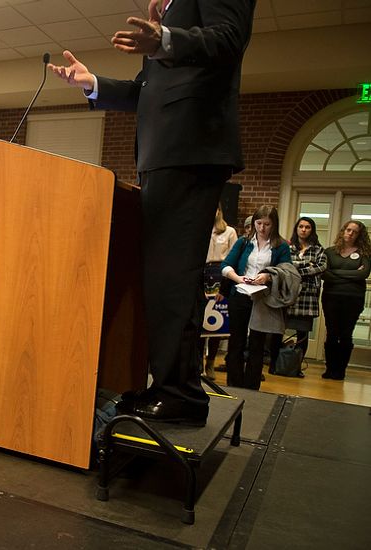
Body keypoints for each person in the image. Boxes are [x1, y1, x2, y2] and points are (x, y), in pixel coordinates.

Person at [49, 0, 256, 424]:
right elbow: (147, 90)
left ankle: (180, 394)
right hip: (167, 154)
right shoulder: (171, 16)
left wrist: (164, 39)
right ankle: (168, 385)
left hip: (191, 148)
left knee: (172, 278)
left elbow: (229, 39)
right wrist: (93, 84)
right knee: (163, 278)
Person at [220, 205, 291, 389]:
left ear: (274, 224)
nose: (262, 228)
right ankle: (234, 383)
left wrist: (267, 276)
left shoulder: (281, 245)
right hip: (240, 294)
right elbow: (226, 266)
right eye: (258, 223)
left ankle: (252, 386)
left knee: (257, 343)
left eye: (267, 224)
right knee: (236, 341)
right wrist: (238, 278)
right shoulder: (244, 242)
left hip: (263, 298)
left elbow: (286, 271)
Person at [269, 217, 327, 373]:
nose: (304, 229)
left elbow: (321, 267)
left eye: (307, 227)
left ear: (312, 230)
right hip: (286, 295)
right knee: (277, 332)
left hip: (307, 298)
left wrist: (295, 271)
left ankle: (296, 367)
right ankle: (273, 365)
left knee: (303, 334)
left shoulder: (318, 249)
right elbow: (282, 265)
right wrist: (306, 265)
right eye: (301, 226)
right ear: (296, 229)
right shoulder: (286, 247)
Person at [320, 220, 371, 380]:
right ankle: (330, 369)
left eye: (354, 232)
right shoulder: (329, 252)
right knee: (332, 333)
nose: (350, 233)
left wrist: (336, 273)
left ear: (359, 235)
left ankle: (340, 370)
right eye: (348, 230)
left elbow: (363, 275)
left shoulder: (365, 253)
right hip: (331, 297)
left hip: (353, 299)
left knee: (346, 334)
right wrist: (351, 275)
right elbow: (324, 274)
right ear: (343, 231)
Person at [202, 206, 237, 379]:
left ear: (219, 210)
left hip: (220, 273)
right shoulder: (200, 228)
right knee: (201, 320)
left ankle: (210, 363)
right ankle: (197, 364)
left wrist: (226, 285)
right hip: (202, 273)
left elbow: (233, 260)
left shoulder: (229, 231)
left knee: (217, 323)